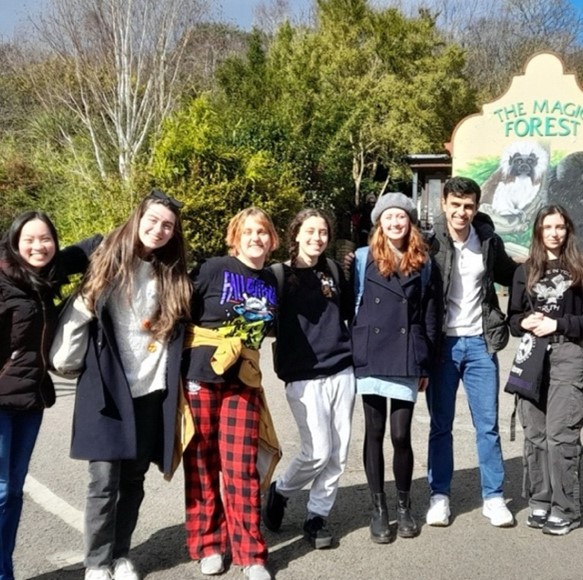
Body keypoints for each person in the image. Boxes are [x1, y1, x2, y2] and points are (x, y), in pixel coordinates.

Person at [69, 190, 191, 580]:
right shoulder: (102, 252)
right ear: (138, 217)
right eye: (153, 221)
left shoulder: (172, 271)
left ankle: (121, 554)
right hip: (108, 389)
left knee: (134, 479)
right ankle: (97, 562)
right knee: (104, 482)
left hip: (151, 390)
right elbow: (45, 264)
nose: (158, 230)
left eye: (167, 226)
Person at [182, 207, 279, 580]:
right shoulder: (213, 268)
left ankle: (251, 554)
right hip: (201, 376)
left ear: (272, 240)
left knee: (241, 468)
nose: (256, 238)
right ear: (234, 237)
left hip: (244, 380)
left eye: (263, 232)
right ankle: (209, 545)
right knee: (203, 465)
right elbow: (182, 311)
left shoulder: (271, 280)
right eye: (248, 232)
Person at [261, 209, 355, 549]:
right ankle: (281, 491)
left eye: (323, 233)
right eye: (311, 232)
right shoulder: (277, 276)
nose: (318, 238)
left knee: (338, 452)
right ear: (296, 234)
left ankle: (317, 516)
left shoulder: (332, 270)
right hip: (302, 375)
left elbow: (346, 313)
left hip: (341, 369)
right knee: (317, 451)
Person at [426, 176, 517, 528]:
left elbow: (512, 274)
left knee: (487, 426)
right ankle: (440, 496)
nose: (461, 212)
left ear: (475, 208)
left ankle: (493, 497)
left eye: (468, 206)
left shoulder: (489, 241)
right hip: (443, 346)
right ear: (444, 204)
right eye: (455, 205)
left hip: (480, 342)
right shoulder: (430, 242)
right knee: (440, 425)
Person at [351, 193, 439, 543]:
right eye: (388, 217)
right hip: (371, 353)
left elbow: (431, 314)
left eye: (401, 217)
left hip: (407, 354)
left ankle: (404, 506)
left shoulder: (425, 261)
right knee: (374, 432)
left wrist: (426, 361)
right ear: (379, 222)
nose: (395, 223)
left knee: (401, 435)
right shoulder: (362, 258)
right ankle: (379, 509)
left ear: (410, 221)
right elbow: (350, 305)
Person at [508, 204, 583, 535]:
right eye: (548, 227)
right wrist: (524, 320)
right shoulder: (525, 270)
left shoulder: (579, 269)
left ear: (568, 231)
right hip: (531, 356)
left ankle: (567, 507)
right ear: (538, 231)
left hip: (569, 353)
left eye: (561, 227)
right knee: (535, 433)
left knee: (561, 434)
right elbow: (512, 319)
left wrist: (558, 322)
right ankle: (540, 499)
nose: (555, 233)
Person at [0, 212, 66, 580]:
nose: (38, 246)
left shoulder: (44, 280)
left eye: (45, 239)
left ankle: (4, 568)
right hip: (1, 400)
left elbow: (85, 251)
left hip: (31, 399)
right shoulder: (3, 280)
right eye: (30, 239)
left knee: (13, 492)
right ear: (14, 241)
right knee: (2, 490)